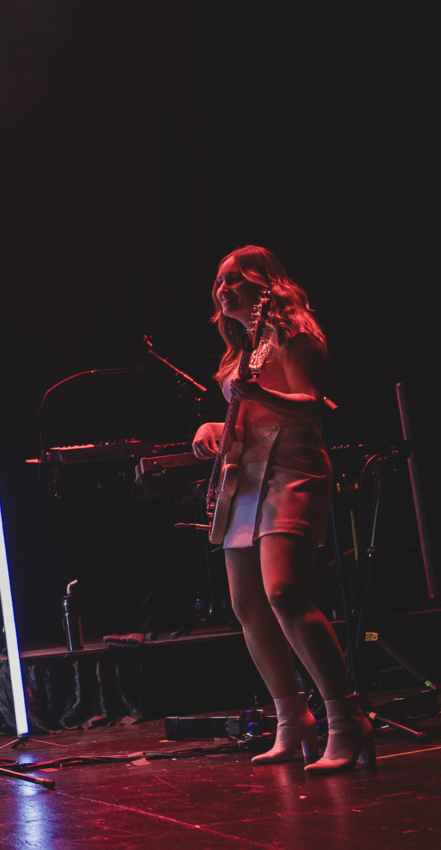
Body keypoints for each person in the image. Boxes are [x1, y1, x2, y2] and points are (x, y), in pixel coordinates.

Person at [191, 246, 371, 774]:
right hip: (245, 478)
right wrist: (214, 429)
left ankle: (345, 716)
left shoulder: (296, 334)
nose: (224, 290)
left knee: (284, 592)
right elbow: (250, 417)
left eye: (234, 280)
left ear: (262, 284)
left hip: (293, 469)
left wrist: (256, 399)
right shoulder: (243, 348)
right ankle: (292, 720)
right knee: (248, 605)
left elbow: (312, 405)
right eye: (219, 283)